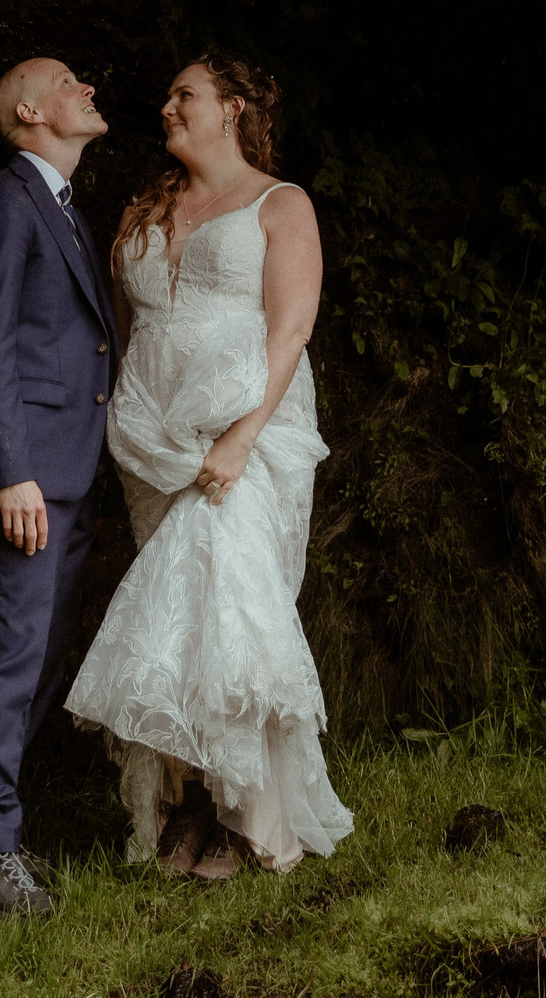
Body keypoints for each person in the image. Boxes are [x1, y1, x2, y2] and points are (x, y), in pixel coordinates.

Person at [64, 53, 354, 878]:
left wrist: (240, 436)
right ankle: (192, 806)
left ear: (230, 108)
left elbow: (290, 330)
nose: (166, 106)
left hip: (246, 435)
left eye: (183, 94)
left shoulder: (280, 203)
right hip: (152, 439)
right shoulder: (143, 209)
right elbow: (121, 332)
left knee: (230, 607)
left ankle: (244, 816)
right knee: (177, 621)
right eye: (166, 95)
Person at [0, 57, 116, 916]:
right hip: (30, 479)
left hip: (69, 473)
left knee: (43, 655)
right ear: (28, 108)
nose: (87, 87)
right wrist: (11, 473)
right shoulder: (5, 205)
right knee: (14, 650)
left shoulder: (63, 211)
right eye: (68, 80)